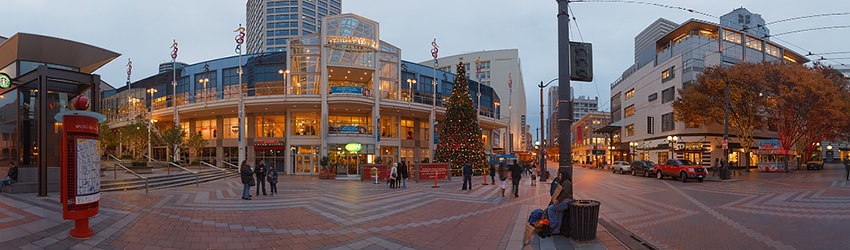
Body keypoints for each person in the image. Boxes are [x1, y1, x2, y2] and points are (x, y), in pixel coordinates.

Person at [547, 170, 573, 235]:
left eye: (560, 175)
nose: (559, 176)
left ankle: (553, 225)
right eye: (559, 175)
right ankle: (556, 230)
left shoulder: (567, 182)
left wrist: (558, 200)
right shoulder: (562, 182)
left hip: (566, 201)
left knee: (550, 208)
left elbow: (564, 193)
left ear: (564, 175)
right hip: (563, 201)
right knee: (559, 214)